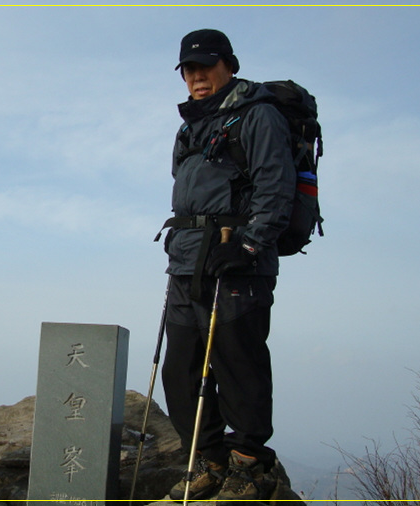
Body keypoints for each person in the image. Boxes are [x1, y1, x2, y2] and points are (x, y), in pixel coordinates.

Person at [158, 29, 295, 503]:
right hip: (188, 262)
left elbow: (276, 188)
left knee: (240, 364)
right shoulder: (189, 127)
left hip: (238, 262)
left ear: (228, 65)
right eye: (188, 69)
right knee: (181, 371)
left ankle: (250, 465)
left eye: (206, 65)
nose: (197, 76)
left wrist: (249, 246)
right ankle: (209, 462)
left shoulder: (258, 115)